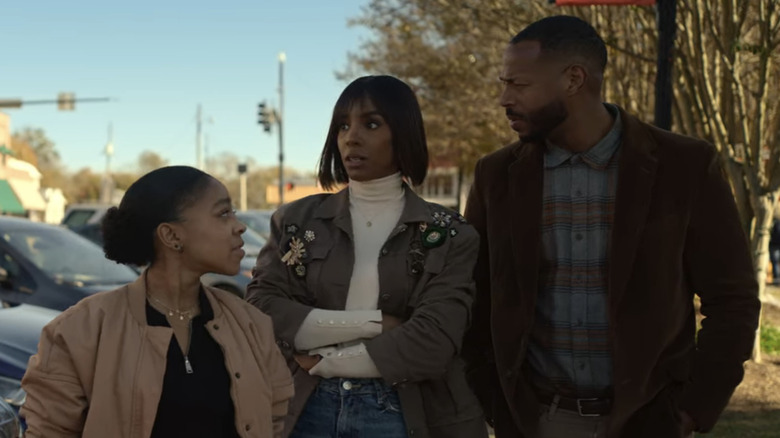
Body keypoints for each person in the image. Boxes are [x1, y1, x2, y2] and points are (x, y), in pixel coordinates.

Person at [462, 15, 761, 438]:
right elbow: (474, 296)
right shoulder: (496, 175)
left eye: (519, 84)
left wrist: (691, 409)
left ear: (574, 79)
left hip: (648, 420)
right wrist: (492, 396)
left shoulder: (685, 165)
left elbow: (733, 299)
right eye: (504, 83)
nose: (504, 99)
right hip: (534, 420)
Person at [247, 75, 487, 438]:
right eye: (343, 126)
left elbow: (435, 341)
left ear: (403, 133)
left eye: (371, 124)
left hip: (405, 409)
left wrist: (328, 363)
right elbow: (263, 310)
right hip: (306, 408)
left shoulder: (450, 233)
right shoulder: (296, 220)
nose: (351, 137)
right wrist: (376, 323)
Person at [21, 166, 294, 437]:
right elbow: (49, 430)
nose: (240, 226)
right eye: (223, 213)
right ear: (171, 236)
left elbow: (274, 417)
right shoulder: (81, 331)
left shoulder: (249, 324)